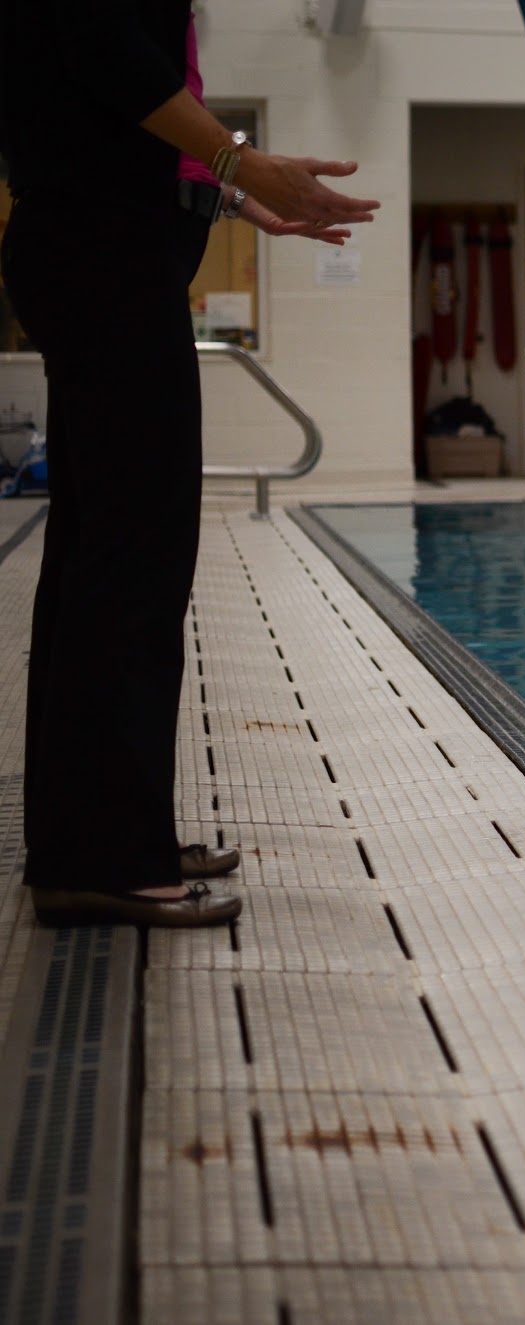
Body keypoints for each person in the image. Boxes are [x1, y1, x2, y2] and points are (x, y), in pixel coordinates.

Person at [1, 1, 377, 926]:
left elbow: (109, 105)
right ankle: (104, 856)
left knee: (98, 552)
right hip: (105, 256)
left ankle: (95, 836)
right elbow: (105, 49)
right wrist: (240, 161)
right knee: (135, 554)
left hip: (100, 249)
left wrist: (236, 196)